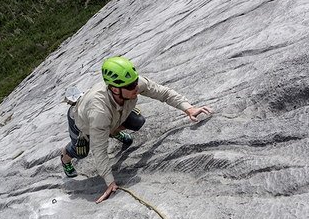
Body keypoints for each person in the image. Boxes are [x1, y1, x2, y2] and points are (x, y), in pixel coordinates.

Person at [61, 56, 212, 204]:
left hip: (114, 114)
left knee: (137, 121)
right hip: (81, 122)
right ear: (114, 89)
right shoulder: (99, 111)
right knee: (80, 152)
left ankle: (113, 131)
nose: (137, 87)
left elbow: (163, 93)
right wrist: (110, 182)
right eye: (131, 86)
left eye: (135, 82)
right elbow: (99, 149)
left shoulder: (132, 84)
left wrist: (189, 109)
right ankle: (65, 157)